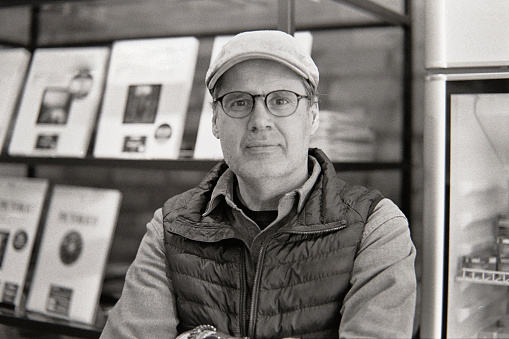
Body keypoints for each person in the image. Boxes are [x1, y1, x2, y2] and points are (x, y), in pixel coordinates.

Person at [100, 30, 416, 339]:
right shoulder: (169, 227)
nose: (260, 120)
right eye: (239, 102)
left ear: (313, 114)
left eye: (281, 100)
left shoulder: (376, 227)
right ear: (214, 122)